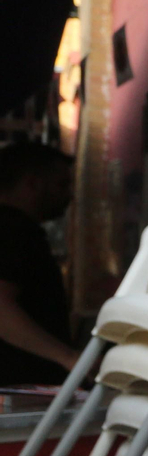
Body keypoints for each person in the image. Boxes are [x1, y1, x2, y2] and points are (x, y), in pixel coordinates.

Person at [0, 142, 77, 386]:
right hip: (20, 386)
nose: (69, 195)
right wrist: (67, 358)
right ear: (32, 183)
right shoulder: (13, 230)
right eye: (61, 185)